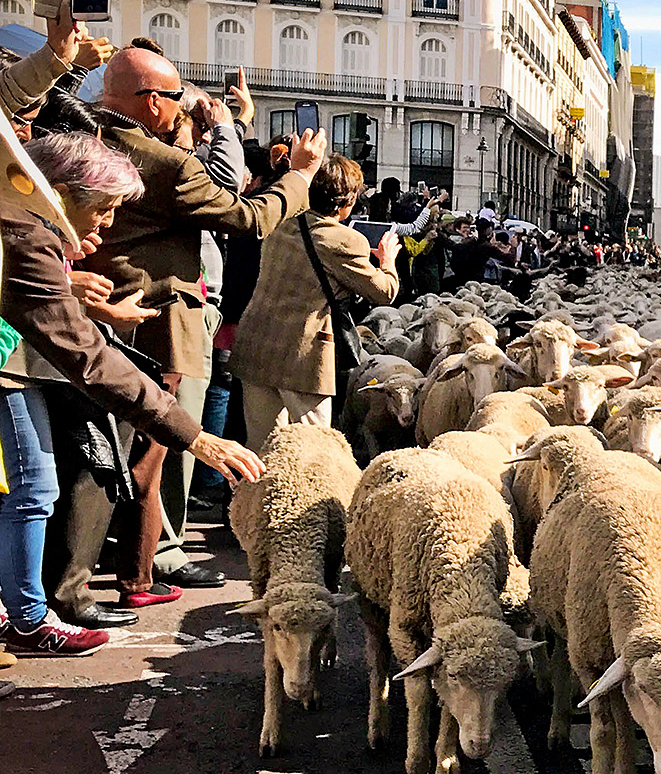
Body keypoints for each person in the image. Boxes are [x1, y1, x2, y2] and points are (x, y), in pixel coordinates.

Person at [0, 128, 264, 657]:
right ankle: (26, 617)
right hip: (9, 367)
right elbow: (88, 359)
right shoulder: (30, 237)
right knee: (33, 484)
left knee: (30, 485)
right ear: (63, 191)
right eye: (105, 206)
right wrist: (196, 438)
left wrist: (79, 293)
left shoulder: (24, 226)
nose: (108, 222)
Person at [74, 45, 320, 610]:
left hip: (97, 314)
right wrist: (299, 175)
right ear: (155, 101)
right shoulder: (164, 163)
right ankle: (126, 575)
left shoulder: (88, 138)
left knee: (95, 452)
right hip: (156, 321)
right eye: (177, 93)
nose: (185, 104)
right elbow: (246, 217)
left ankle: (117, 569)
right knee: (148, 453)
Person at [230, 154, 400, 454]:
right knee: (315, 449)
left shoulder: (280, 221)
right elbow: (384, 293)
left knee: (261, 447)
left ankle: (255, 500)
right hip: (303, 356)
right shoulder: (345, 240)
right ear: (346, 202)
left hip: (256, 344)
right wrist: (388, 261)